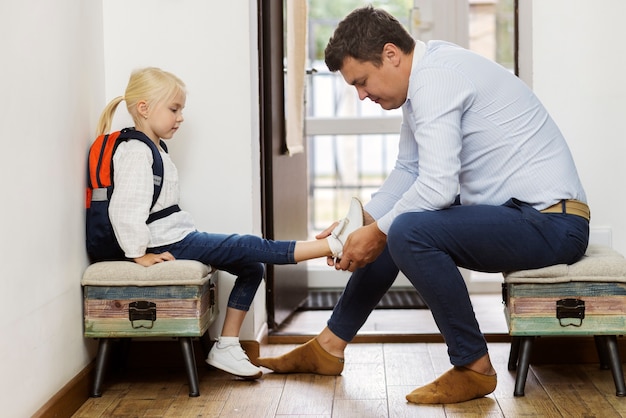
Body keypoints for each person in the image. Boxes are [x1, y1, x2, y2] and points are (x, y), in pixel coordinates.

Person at [257, 6, 590, 404]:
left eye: (362, 82)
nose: (361, 95)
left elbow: (437, 186)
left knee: (406, 229)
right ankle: (329, 346)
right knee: (398, 225)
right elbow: (410, 169)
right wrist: (361, 221)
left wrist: (377, 232)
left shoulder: (436, 80)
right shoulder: (425, 79)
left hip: (552, 223)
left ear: (391, 54)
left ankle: (474, 366)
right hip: (522, 216)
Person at [95, 67, 364, 380]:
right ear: (144, 108)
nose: (180, 117)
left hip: (176, 236)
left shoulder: (154, 148)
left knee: (252, 266)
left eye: (181, 109)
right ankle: (333, 244)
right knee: (250, 246)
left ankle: (227, 345)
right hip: (165, 243)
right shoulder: (134, 151)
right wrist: (138, 252)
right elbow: (124, 208)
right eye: (174, 109)